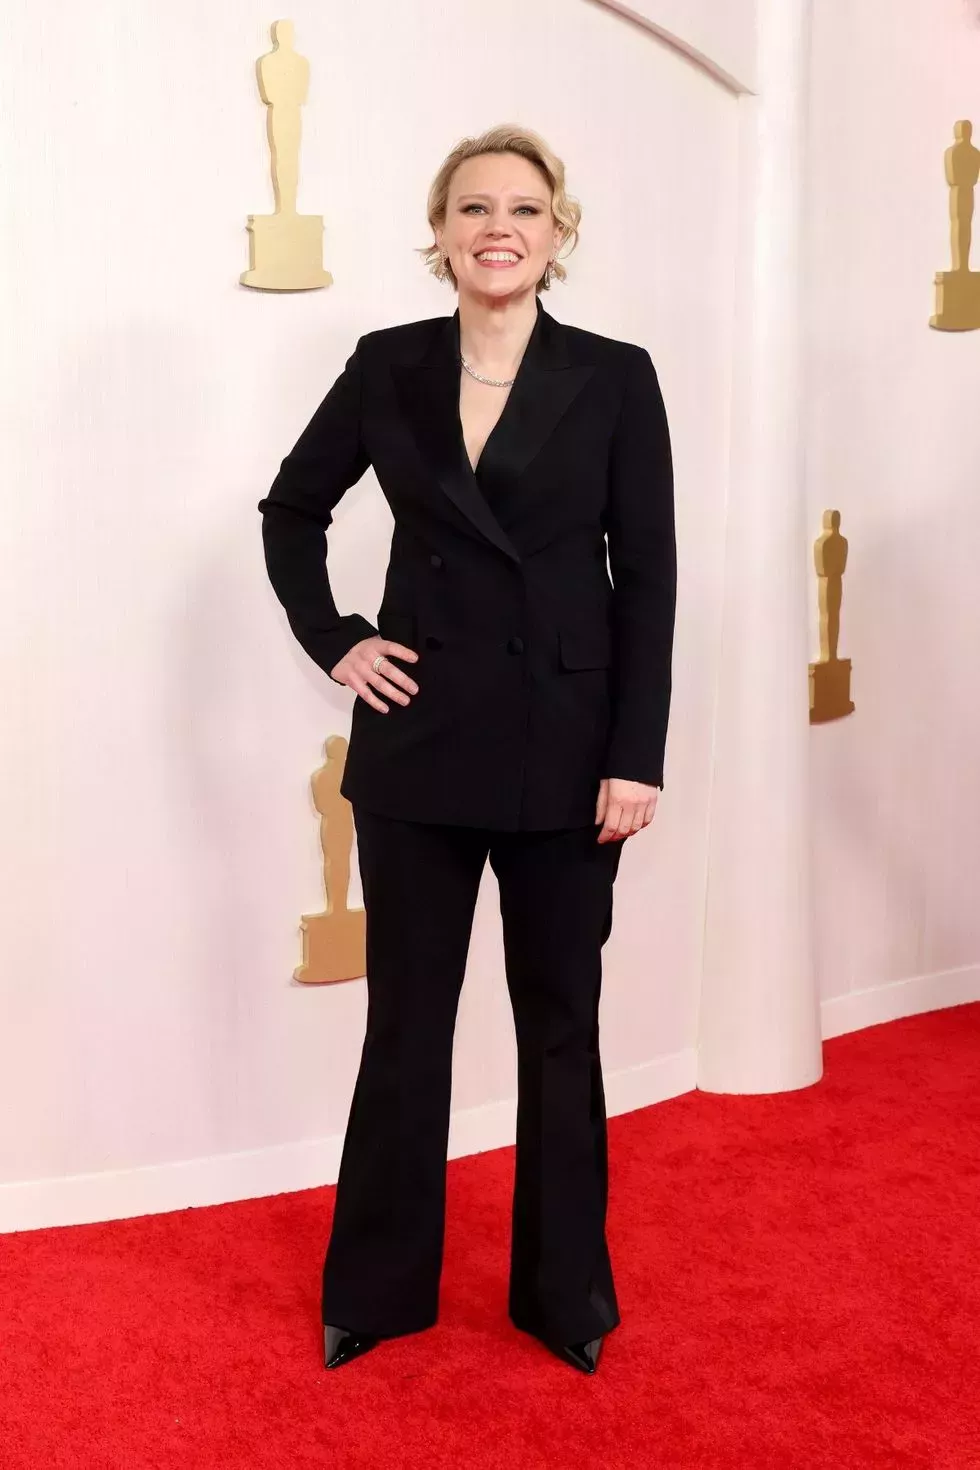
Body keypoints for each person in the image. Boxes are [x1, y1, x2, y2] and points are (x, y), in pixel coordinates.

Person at [257, 124, 676, 1377]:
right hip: (418, 745)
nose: (500, 227)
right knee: (405, 1023)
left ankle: (563, 1298)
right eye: (475, 207)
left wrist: (635, 754)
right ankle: (375, 1292)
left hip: (568, 750)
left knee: (559, 1025)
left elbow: (648, 578)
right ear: (439, 234)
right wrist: (336, 639)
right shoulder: (386, 364)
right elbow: (291, 509)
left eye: (524, 209)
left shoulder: (613, 376)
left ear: (557, 234)